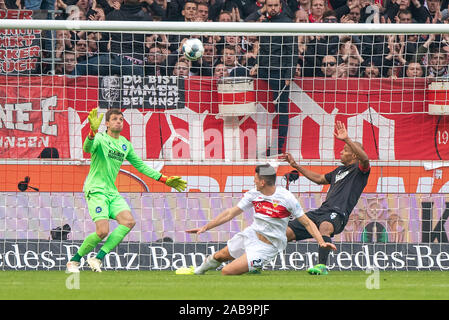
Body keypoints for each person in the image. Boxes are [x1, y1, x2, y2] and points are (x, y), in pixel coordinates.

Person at [66, 108, 187, 273]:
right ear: (107, 123)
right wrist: (92, 132)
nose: (118, 121)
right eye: (114, 119)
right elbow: (87, 148)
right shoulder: (100, 138)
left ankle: (97, 258)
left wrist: (164, 179)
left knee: (128, 222)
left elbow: (141, 166)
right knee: (102, 232)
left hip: (112, 192)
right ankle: (73, 261)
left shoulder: (125, 144)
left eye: (121, 119)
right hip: (96, 190)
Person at [175, 164, 336, 275]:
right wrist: (206, 227)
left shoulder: (286, 198)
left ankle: (254, 265)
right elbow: (231, 212)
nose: (254, 181)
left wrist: (321, 241)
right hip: (251, 235)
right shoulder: (254, 194)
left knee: (227, 271)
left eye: (256, 179)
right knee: (219, 256)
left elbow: (307, 222)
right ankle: (196, 272)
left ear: (263, 181)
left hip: (268, 246)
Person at [281, 120, 370, 275]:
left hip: (338, 213)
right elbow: (320, 179)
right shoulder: (339, 170)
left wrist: (347, 139)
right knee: (285, 233)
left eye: (345, 150)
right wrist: (296, 165)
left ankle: (321, 266)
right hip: (322, 211)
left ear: (354, 154)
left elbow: (365, 159)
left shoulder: (360, 170)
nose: (341, 152)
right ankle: (256, 262)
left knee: (325, 227)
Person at [257, 0, 297, 156]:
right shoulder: (265, 22)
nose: (273, 8)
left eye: (275, 5)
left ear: (280, 6)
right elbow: (263, 48)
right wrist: (257, 65)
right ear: (265, 6)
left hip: (280, 73)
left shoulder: (287, 23)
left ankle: (278, 148)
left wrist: (289, 75)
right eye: (270, 5)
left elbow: (292, 51)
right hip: (264, 71)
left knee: (281, 110)